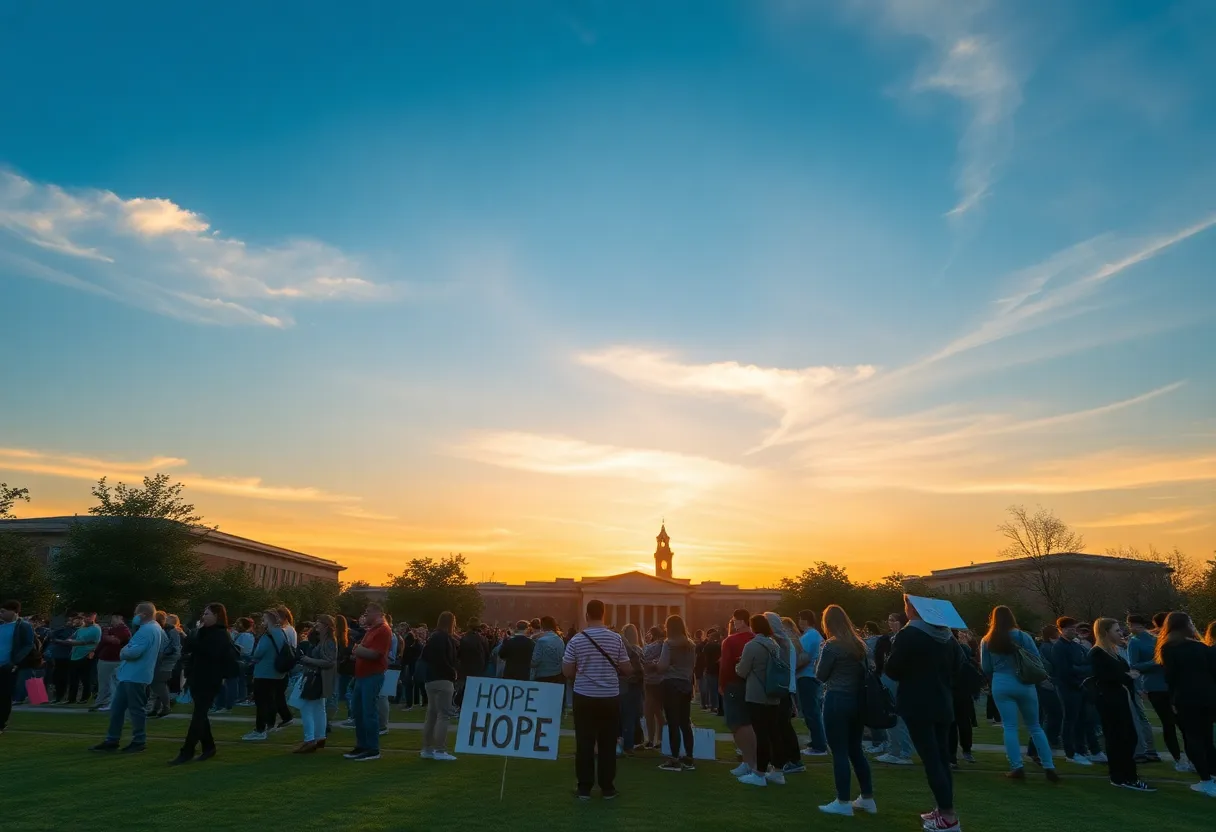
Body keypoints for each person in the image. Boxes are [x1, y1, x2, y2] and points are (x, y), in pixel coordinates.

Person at [884, 595, 964, 832]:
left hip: (917, 704)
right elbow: (959, 666)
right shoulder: (948, 637)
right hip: (942, 702)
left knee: (931, 761)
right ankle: (943, 809)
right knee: (940, 758)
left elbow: (892, 669)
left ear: (914, 611)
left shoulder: (909, 635)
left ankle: (948, 817)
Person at [979, 605, 1059, 781]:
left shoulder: (987, 640)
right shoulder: (1023, 636)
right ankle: (1049, 766)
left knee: (1009, 727)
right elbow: (1036, 659)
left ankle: (1016, 766)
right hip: (1025, 682)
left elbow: (986, 667)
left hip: (1001, 682)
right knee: (1035, 727)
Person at [562, 599, 630, 800]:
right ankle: (607, 787)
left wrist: (582, 672)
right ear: (604, 614)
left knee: (584, 742)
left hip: (584, 696)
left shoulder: (577, 640)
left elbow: (567, 670)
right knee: (608, 743)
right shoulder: (616, 639)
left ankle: (584, 787)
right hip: (610, 696)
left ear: (586, 616)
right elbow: (626, 667)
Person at [815, 604, 877, 816]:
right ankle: (867, 797)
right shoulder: (859, 644)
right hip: (857, 700)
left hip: (837, 698)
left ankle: (842, 801)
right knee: (855, 749)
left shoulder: (831, 646)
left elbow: (821, 675)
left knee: (839, 751)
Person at [89, 602, 164, 753]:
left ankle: (138, 740)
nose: (134, 616)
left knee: (136, 709)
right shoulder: (155, 628)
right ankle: (112, 739)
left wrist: (123, 651)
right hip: (131, 674)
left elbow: (133, 652)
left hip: (135, 675)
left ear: (143, 614)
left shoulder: (147, 629)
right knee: (117, 708)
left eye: (137, 613)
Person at [1089, 617, 1153, 791]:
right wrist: (1127, 676)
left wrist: (1128, 676)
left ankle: (1124, 775)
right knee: (1119, 738)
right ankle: (1124, 777)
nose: (1120, 633)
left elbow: (1123, 672)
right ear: (1105, 632)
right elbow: (1107, 677)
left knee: (1127, 738)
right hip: (1110, 701)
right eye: (1116, 630)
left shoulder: (1113, 652)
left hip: (1120, 699)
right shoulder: (1098, 653)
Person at [1156, 611, 1216, 796]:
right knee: (1206, 738)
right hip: (1208, 697)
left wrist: (1173, 699)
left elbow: (1171, 677)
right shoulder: (1201, 647)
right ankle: (1212, 774)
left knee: (1192, 738)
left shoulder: (1169, 648)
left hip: (1186, 698)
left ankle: (1206, 779)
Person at [171, 602, 233, 764]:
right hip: (197, 677)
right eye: (204, 613)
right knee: (201, 715)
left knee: (198, 715)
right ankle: (209, 746)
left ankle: (188, 750)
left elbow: (209, 652)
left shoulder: (221, 634)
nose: (203, 616)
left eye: (207, 614)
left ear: (216, 616)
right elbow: (190, 648)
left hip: (210, 679)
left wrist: (194, 635)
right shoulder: (203, 632)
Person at [735, 614, 790, 785]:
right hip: (772, 694)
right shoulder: (774, 644)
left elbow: (742, 671)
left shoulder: (752, 645)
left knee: (761, 734)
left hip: (756, 694)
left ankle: (759, 773)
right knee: (774, 733)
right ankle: (778, 771)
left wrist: (737, 665)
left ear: (753, 627)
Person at [1126, 613, 1179, 768]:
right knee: (1168, 723)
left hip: (1169, 684)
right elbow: (1134, 665)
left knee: (1180, 722)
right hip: (1154, 686)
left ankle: (1189, 757)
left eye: (1131, 625)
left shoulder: (1155, 639)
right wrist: (1155, 661)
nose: (1130, 628)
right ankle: (1177, 758)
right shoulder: (1134, 642)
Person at [1052, 616, 1102, 765]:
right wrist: (1079, 672)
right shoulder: (1059, 647)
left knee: (1082, 720)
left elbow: (1088, 665)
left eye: (1074, 628)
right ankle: (1070, 753)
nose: (1073, 631)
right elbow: (1064, 671)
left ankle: (1081, 750)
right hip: (1068, 688)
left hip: (1081, 687)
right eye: (1070, 629)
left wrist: (1079, 670)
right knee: (1069, 721)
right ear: (1061, 630)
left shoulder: (1076, 646)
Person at [345, 603, 391, 761]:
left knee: (368, 712)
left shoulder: (383, 629)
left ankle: (372, 748)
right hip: (362, 676)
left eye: (368, 612)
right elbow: (362, 649)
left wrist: (358, 651)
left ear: (378, 613)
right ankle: (362, 745)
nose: (365, 615)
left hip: (372, 675)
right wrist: (359, 651)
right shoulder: (371, 630)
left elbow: (376, 654)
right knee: (358, 712)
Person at [719, 608, 759, 783]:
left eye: (735, 621)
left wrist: (722, 685)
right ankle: (750, 761)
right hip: (754, 685)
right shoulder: (758, 639)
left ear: (742, 621)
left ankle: (749, 761)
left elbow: (726, 666)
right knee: (749, 723)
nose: (734, 624)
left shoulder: (732, 641)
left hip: (734, 685)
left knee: (738, 724)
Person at [653, 613, 696, 771]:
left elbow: (662, 666)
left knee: (673, 723)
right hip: (685, 683)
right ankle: (689, 757)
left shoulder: (669, 643)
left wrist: (655, 666)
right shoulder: (691, 645)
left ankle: (674, 759)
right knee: (685, 722)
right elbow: (692, 667)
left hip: (671, 684)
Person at [874, 611, 914, 764]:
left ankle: (902, 752)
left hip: (897, 679)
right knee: (891, 714)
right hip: (888, 677)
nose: (890, 623)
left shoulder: (904, 638)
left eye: (894, 620)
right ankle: (895, 749)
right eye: (889, 620)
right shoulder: (888, 639)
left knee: (897, 716)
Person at [295, 613, 338, 754]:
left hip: (317, 678)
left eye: (319, 622)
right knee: (320, 708)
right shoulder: (324, 640)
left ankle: (310, 739)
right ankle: (319, 737)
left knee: (306, 707)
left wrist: (308, 659)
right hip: (319, 678)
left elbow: (329, 662)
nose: (316, 624)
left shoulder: (329, 641)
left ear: (326, 625)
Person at [244, 609, 288, 741]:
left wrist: (251, 658)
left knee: (261, 702)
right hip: (277, 673)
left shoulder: (269, 634)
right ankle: (270, 725)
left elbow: (259, 652)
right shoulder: (281, 632)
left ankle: (260, 730)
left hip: (264, 672)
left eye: (264, 619)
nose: (262, 622)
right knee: (270, 700)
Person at [420, 611, 459, 761]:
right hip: (443, 679)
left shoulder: (433, 637)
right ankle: (440, 750)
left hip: (430, 679)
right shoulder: (445, 638)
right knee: (444, 715)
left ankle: (427, 748)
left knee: (431, 715)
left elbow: (425, 656)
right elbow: (445, 659)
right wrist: (452, 671)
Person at [0, 600, 37, 735]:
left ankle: (1, 724)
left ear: (15, 611)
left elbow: (28, 645)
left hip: (7, 665)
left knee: (4, 696)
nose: (1, 614)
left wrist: (15, 662)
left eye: (3, 611)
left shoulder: (23, 626)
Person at [796, 609, 828, 756]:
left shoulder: (810, 636)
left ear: (804, 620)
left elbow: (804, 657)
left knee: (811, 712)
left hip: (807, 677)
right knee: (812, 711)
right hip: (810, 676)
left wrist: (792, 670)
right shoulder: (814, 635)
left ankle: (819, 745)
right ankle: (816, 741)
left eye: (800, 619)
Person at [90, 614, 130, 713]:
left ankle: (108, 702)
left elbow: (114, 641)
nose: (112, 620)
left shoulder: (124, 630)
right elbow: (103, 642)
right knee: (104, 682)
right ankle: (102, 701)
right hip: (104, 659)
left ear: (120, 618)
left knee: (114, 683)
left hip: (115, 660)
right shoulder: (110, 629)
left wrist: (106, 634)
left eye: (114, 618)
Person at [618, 623, 645, 757]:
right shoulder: (640, 649)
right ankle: (631, 743)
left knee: (624, 715)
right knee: (632, 716)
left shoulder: (625, 649)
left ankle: (623, 743)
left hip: (624, 684)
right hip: (635, 686)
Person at [62, 612, 101, 705]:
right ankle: (71, 698)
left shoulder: (96, 629)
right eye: (86, 617)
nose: (87, 619)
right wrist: (69, 640)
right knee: (73, 679)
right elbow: (71, 638)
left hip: (86, 655)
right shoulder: (81, 629)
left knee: (85, 678)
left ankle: (85, 698)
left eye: (89, 617)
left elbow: (94, 642)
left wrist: (74, 642)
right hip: (75, 655)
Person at [149, 612, 183, 718]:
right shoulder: (168, 630)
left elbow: (174, 648)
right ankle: (156, 708)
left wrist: (163, 654)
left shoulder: (171, 631)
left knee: (160, 684)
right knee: (158, 685)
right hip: (164, 661)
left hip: (166, 662)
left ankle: (165, 707)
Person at [641, 625, 665, 749]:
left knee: (650, 711)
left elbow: (643, 659)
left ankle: (652, 739)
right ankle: (658, 739)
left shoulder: (652, 646)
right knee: (655, 711)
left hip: (651, 681)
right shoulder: (664, 645)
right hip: (659, 681)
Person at [531, 616, 565, 685]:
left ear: (542, 626)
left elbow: (535, 661)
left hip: (543, 676)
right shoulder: (560, 640)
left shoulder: (541, 641)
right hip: (557, 675)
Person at [702, 628, 722, 713]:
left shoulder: (707, 646)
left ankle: (713, 706)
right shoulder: (719, 646)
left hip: (710, 669)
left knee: (712, 689)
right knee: (718, 689)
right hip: (718, 669)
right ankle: (718, 706)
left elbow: (704, 656)